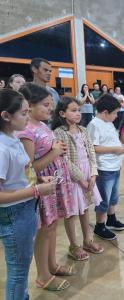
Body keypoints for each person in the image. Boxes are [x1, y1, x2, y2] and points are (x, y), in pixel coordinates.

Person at [0, 89, 56, 299]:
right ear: (6, 116)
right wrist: (35, 190)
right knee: (18, 270)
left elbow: (22, 171)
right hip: (14, 213)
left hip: (25, 207)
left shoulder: (13, 137)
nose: (28, 116)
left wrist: (38, 179)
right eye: (23, 113)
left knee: (21, 265)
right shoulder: (2, 147)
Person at [18, 83, 72, 291]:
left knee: (52, 226)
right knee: (43, 230)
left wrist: (58, 151)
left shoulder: (41, 125)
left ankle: (52, 265)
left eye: (51, 105)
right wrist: (54, 153)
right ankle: (42, 275)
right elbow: (29, 168)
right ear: (29, 106)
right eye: (45, 105)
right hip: (42, 185)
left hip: (53, 183)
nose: (50, 109)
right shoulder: (27, 131)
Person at [52, 97, 104, 261]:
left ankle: (87, 241)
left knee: (85, 208)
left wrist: (93, 173)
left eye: (79, 110)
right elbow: (64, 159)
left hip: (88, 173)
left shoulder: (83, 130)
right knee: (71, 212)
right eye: (73, 110)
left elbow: (91, 153)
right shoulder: (59, 132)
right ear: (62, 113)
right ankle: (74, 246)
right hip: (72, 178)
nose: (78, 113)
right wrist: (81, 179)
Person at [87, 94, 124, 240]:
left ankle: (111, 219)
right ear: (105, 112)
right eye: (115, 113)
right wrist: (114, 149)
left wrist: (120, 146)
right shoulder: (94, 125)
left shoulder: (108, 123)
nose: (116, 116)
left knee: (113, 196)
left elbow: (111, 141)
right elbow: (93, 147)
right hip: (104, 168)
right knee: (103, 199)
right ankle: (100, 225)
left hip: (114, 165)